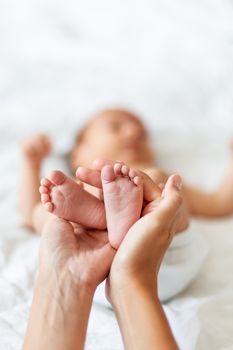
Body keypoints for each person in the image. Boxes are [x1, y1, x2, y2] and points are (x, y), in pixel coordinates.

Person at [23, 173, 183, 350]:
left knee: (153, 182)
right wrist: (32, 160)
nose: (137, 143)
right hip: (145, 266)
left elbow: (215, 203)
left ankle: (103, 214)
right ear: (76, 153)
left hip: (162, 241)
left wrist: (31, 161)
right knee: (54, 206)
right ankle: (108, 216)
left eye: (145, 142)